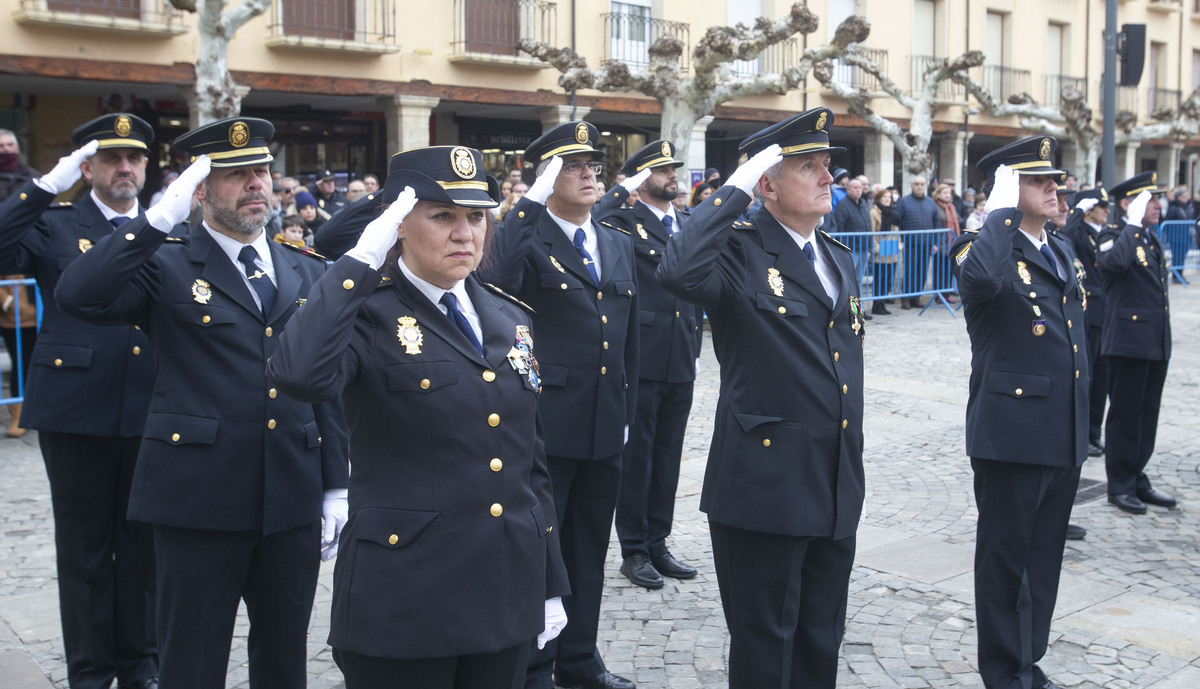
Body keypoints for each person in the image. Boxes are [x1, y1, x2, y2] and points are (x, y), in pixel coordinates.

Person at [55, 117, 349, 689]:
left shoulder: (304, 268)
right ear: (201, 188)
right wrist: (156, 219)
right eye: (235, 174)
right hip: (198, 497)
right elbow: (78, 295)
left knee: (285, 655)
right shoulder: (163, 261)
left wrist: (336, 481)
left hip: (290, 490)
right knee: (192, 656)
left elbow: (325, 383)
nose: (255, 184)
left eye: (261, 170)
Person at [267, 145, 569, 689]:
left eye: (476, 217)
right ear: (398, 224)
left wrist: (549, 580)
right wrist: (358, 261)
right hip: (406, 601)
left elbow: (530, 464)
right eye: (442, 216)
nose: (464, 234)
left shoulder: (507, 315)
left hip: (503, 595)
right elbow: (298, 375)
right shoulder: (365, 311)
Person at [658, 107, 866, 689]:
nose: (828, 177)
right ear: (767, 183)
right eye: (809, 166)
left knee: (821, 637)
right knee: (766, 643)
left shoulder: (838, 258)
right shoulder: (738, 250)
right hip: (765, 484)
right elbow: (677, 270)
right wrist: (733, 191)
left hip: (832, 479)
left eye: (828, 165)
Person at [0, 114, 159, 689]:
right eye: (111, 159)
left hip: (150, 407)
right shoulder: (57, 224)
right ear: (86, 168)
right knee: (86, 551)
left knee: (144, 548)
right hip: (77, 407)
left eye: (135, 158)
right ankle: (91, 672)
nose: (125, 168)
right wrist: (45, 185)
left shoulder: (166, 227)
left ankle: (142, 665)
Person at [480, 121, 639, 689]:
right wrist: (524, 203)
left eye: (593, 163)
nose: (589, 172)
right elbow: (492, 279)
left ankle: (579, 662)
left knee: (588, 553)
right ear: (547, 175)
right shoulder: (527, 237)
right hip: (545, 428)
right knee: (538, 555)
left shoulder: (617, 241)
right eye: (572, 165)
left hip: (603, 427)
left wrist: (628, 414)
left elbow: (628, 341)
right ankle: (531, 669)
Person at [947, 136, 1089, 689]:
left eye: (1054, 177)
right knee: (1006, 562)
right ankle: (1005, 673)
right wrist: (998, 213)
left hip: (1061, 426)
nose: (1054, 186)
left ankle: (1029, 659)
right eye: (1037, 180)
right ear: (1007, 189)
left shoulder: (1060, 247)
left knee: (1043, 557)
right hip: (1012, 432)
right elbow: (981, 281)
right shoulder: (977, 247)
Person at [593, 140, 704, 590]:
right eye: (659, 170)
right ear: (640, 179)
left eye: (672, 169)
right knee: (636, 459)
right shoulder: (623, 220)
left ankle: (658, 540)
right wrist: (623, 190)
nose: (671, 175)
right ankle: (634, 549)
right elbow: (596, 216)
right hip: (642, 358)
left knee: (668, 457)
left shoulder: (688, 221)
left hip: (682, 355)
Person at [1095, 171, 1176, 515]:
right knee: (1125, 416)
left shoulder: (1149, 238)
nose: (1158, 205)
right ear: (1127, 204)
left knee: (1147, 414)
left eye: (1158, 199)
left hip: (1154, 342)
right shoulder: (1113, 236)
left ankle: (1137, 473)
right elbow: (1112, 263)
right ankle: (1120, 484)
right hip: (1127, 343)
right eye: (1149, 199)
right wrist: (1129, 223)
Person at [1063, 188, 1110, 458]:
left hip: (1104, 312)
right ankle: (1085, 433)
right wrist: (1078, 209)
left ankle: (1094, 431)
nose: (1106, 210)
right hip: (1088, 311)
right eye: (1101, 206)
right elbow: (1066, 233)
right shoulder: (1078, 231)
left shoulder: (1102, 233)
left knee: (1101, 379)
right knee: (1088, 376)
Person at [894, 175, 939, 308]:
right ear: (912, 186)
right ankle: (906, 298)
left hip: (926, 244)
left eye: (921, 184)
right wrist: (900, 239)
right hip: (910, 243)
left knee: (922, 272)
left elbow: (936, 222)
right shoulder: (904, 202)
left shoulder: (931, 202)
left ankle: (916, 297)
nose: (919, 186)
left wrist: (935, 242)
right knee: (909, 271)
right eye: (916, 184)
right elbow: (898, 222)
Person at [833, 176, 873, 311]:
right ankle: (848, 309)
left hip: (863, 248)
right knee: (849, 280)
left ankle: (857, 308)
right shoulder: (843, 205)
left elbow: (868, 226)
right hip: (851, 249)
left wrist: (870, 248)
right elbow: (840, 227)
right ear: (848, 189)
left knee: (859, 280)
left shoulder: (863, 203)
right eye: (855, 188)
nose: (858, 190)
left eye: (860, 188)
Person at [870, 186, 901, 315]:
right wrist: (876, 247)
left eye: (889, 197)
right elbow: (871, 231)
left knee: (888, 278)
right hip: (880, 250)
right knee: (880, 278)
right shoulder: (874, 212)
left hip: (891, 249)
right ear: (879, 198)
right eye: (885, 197)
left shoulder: (892, 213)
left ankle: (882, 303)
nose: (888, 199)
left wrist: (898, 243)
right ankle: (877, 305)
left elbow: (896, 230)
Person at [932, 183, 960, 297]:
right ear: (938, 194)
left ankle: (947, 293)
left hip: (951, 242)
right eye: (945, 193)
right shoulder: (935, 207)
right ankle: (939, 294)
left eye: (949, 193)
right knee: (940, 269)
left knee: (949, 269)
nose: (948, 195)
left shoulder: (951, 207)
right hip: (940, 242)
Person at [1163, 185, 1194, 281]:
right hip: (1176, 237)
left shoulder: (1188, 206)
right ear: (1179, 197)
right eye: (1184, 196)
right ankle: (1177, 276)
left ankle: (1180, 274)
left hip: (1185, 236)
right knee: (1177, 257)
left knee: (1182, 257)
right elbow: (1167, 221)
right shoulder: (1173, 208)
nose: (1186, 198)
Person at [0, 128, 38, 203]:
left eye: (10, 144)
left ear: (17, 148)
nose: (6, 148)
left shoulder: (34, 176)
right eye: (1, 145)